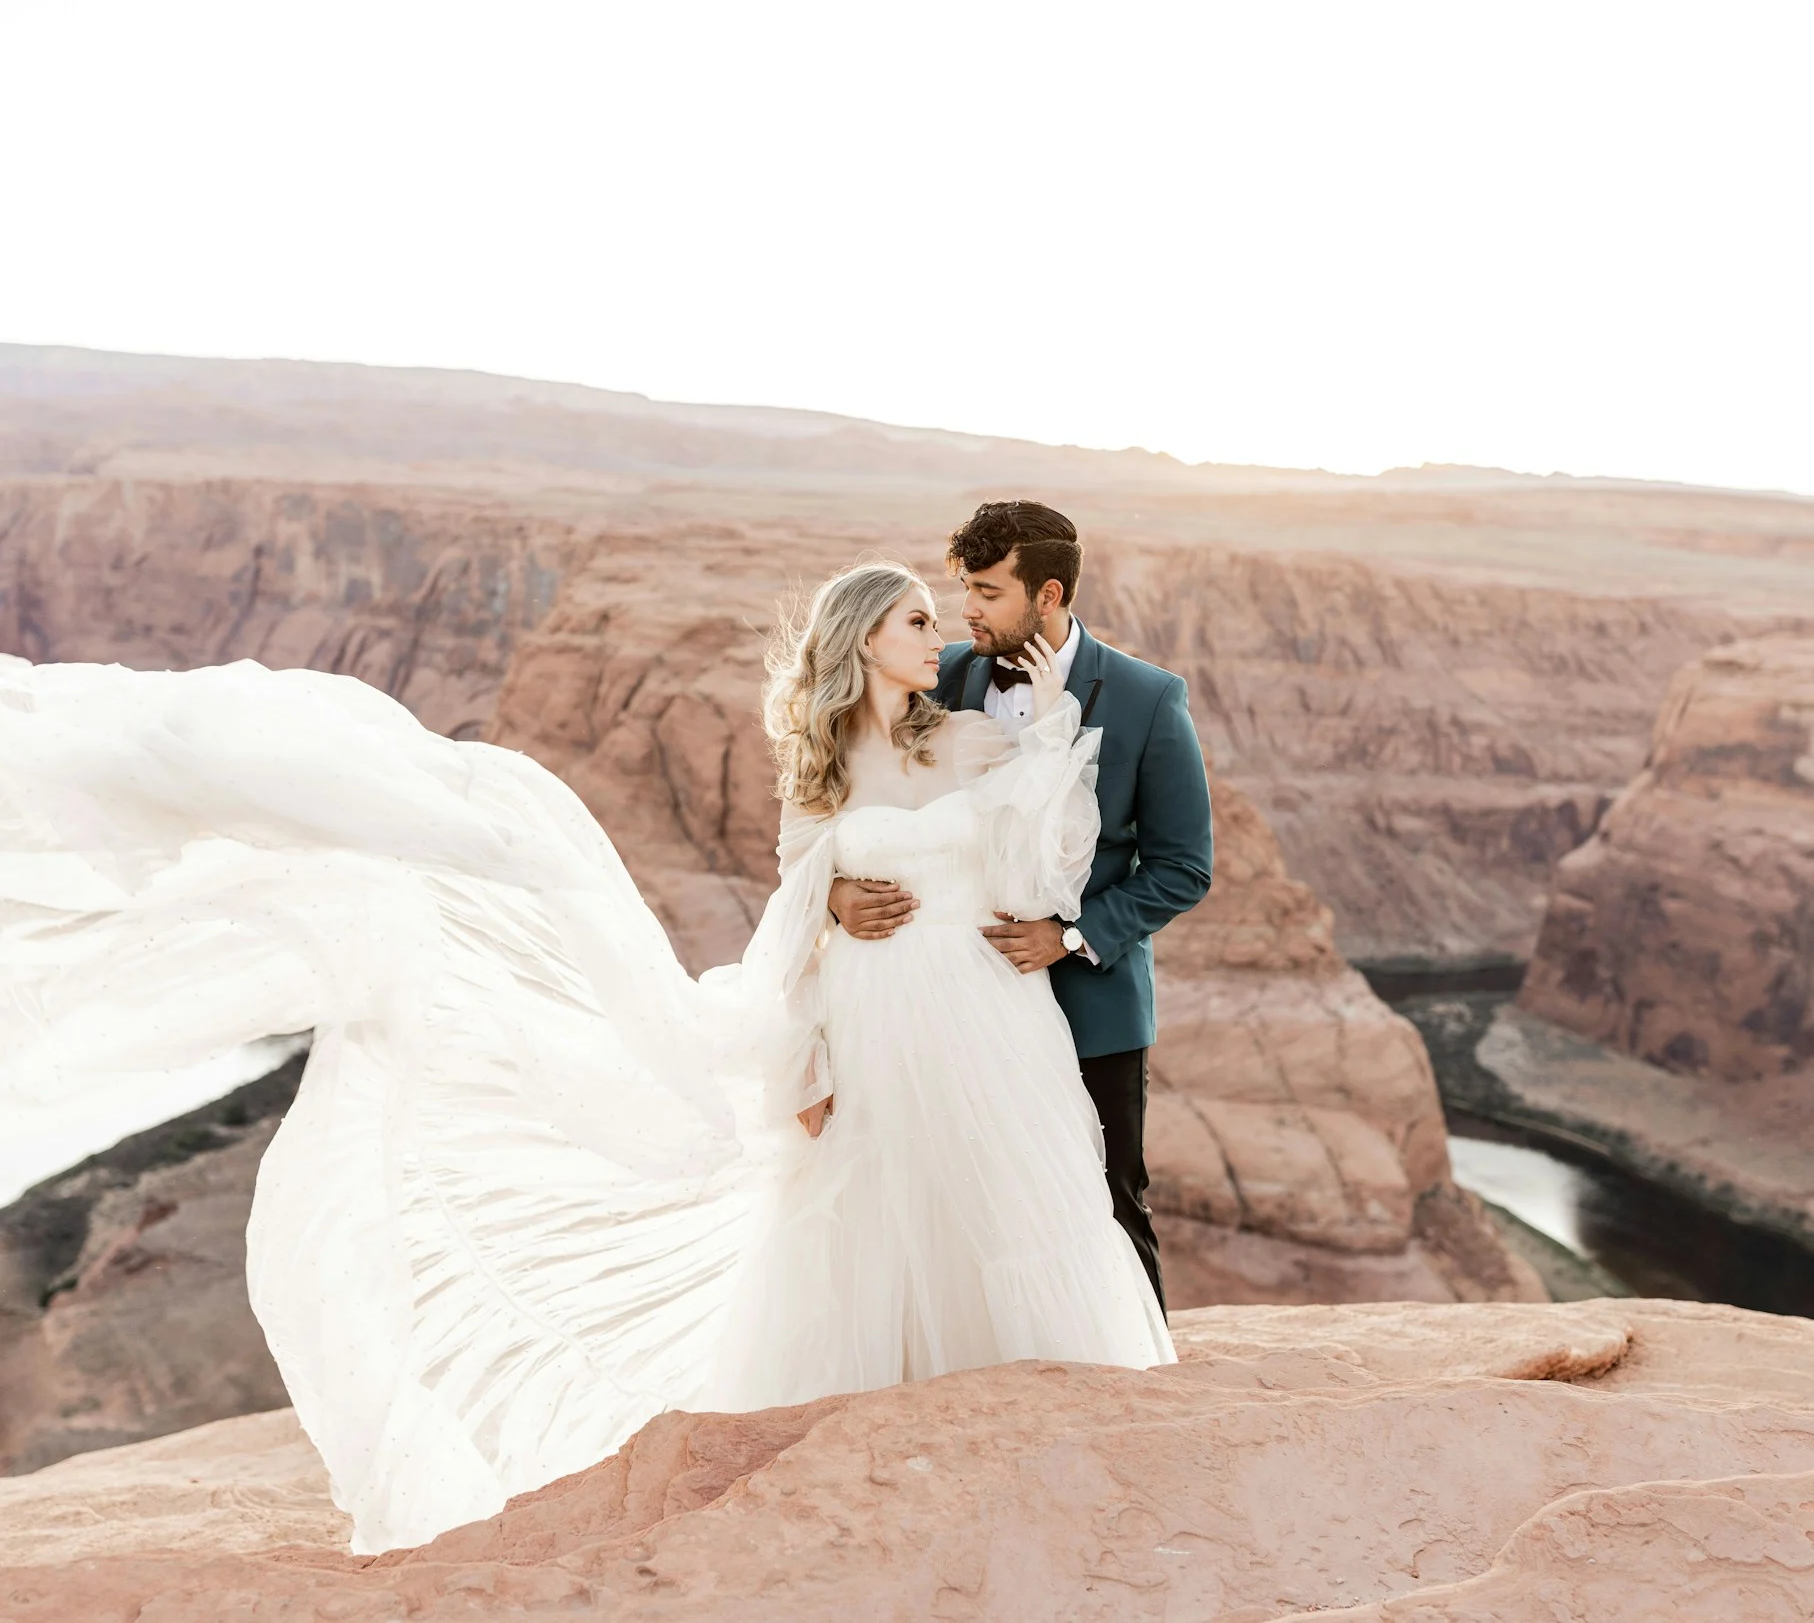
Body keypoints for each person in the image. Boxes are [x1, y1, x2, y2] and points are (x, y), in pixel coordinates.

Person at [0, 558, 1171, 1557]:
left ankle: (1056, 1457)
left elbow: (1052, 825)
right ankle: (881, 1476)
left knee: (1002, 1197)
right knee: (873, 1215)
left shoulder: (971, 734)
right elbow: (788, 921)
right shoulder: (818, 775)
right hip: (870, 1014)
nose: (943, 636)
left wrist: (1041, 908)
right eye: (918, 618)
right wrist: (813, 986)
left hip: (975, 1007)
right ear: (865, 636)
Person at [828, 503, 1214, 1310]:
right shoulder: (943, 673)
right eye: (963, 588)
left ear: (1047, 594)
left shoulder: (1148, 698)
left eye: (987, 592)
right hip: (949, 1005)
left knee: (1105, 1201)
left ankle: (1137, 1397)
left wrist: (1068, 937)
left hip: (1087, 1002)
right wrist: (835, 893)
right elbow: (862, 803)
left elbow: (1183, 867)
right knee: (962, 1205)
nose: (966, 610)